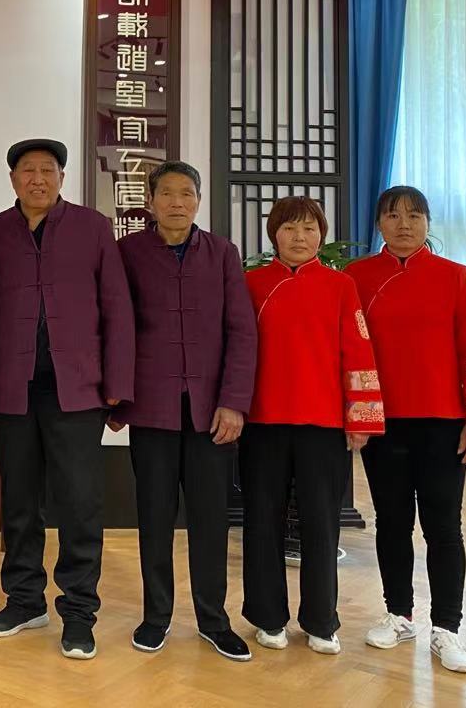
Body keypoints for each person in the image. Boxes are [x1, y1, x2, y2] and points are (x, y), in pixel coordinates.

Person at [0, 139, 133, 660]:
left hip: (78, 389)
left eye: (48, 170)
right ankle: (24, 600)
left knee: (80, 503)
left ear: (62, 177)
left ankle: (79, 611)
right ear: (13, 179)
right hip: (14, 388)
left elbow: (116, 307)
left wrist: (118, 385)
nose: (38, 179)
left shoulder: (92, 228)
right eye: (28, 170)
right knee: (20, 502)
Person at [346, 185, 466, 674]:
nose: (404, 225)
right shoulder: (355, 277)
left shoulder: (455, 277)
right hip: (383, 422)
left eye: (414, 216)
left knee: (443, 526)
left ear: (427, 222)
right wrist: (355, 416)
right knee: (391, 522)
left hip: (443, 421)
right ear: (379, 223)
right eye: (393, 216)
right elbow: (347, 351)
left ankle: (447, 628)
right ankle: (398, 615)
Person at [110, 160, 257, 662]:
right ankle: (156, 617)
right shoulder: (128, 252)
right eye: (167, 193)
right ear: (150, 202)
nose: (177, 202)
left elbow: (242, 332)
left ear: (198, 200)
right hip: (151, 409)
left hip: (211, 412)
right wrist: (116, 395)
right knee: (154, 518)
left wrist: (234, 402)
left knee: (210, 521)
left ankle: (214, 621)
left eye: (187, 193)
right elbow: (116, 325)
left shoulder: (222, 253)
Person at [242, 196, 385, 656]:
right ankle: (268, 617)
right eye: (289, 228)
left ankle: (322, 620)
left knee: (322, 524)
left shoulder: (341, 286)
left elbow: (358, 351)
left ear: (321, 235)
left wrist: (361, 417)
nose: (299, 237)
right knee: (262, 520)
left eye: (308, 228)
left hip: (324, 424)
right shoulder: (251, 284)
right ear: (274, 235)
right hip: (262, 422)